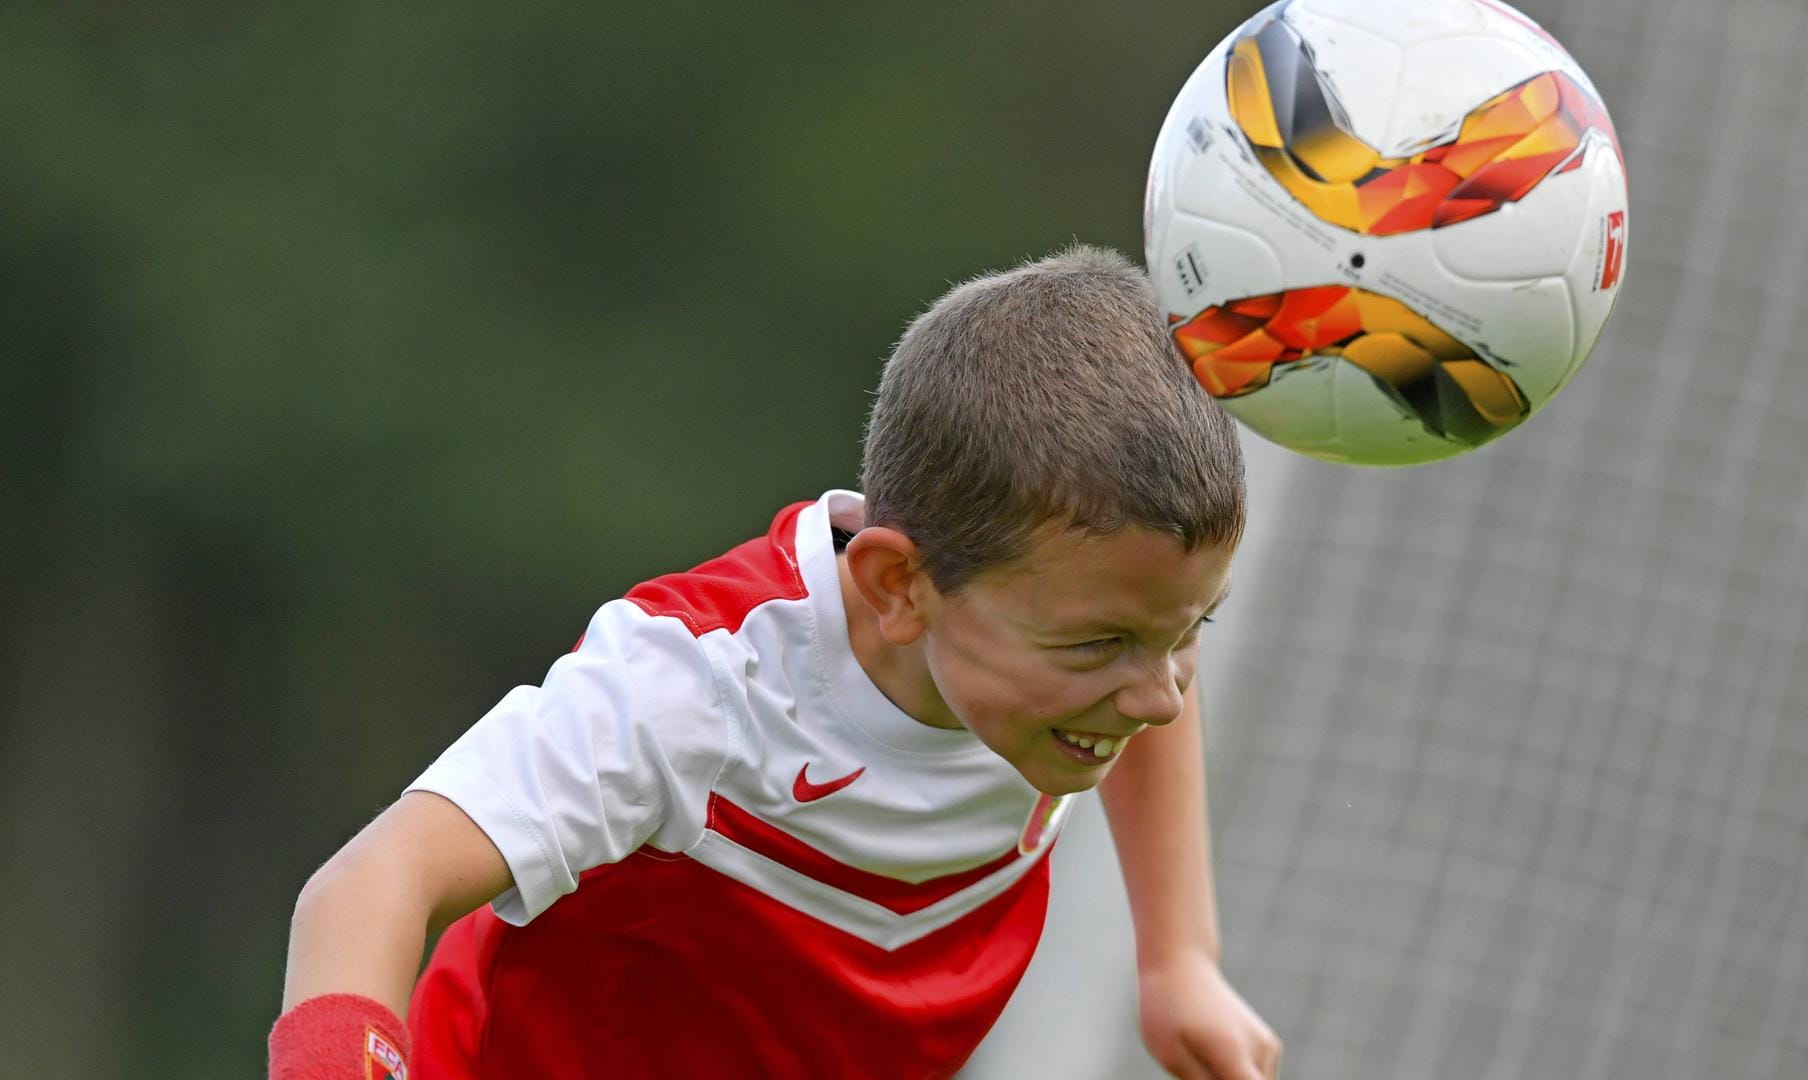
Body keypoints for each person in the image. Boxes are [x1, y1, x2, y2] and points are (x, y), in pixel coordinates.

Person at [272, 245, 1281, 1079]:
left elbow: (1144, 658)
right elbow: (366, 890)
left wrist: (1178, 957)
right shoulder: (692, 692)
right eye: (1103, 645)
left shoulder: (1061, 648)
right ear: (898, 588)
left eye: (1188, 632)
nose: (1155, 696)